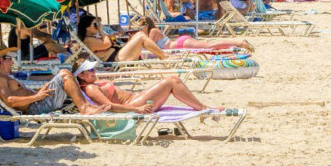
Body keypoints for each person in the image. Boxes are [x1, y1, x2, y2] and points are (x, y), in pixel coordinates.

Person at [71, 56, 223, 114]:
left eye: (94, 68)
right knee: (172, 80)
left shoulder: (94, 82)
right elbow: (110, 106)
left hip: (135, 99)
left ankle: (202, 107)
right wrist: (136, 109)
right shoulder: (90, 88)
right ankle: (203, 108)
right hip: (133, 104)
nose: (94, 71)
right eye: (89, 70)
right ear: (81, 75)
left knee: (172, 80)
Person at [0, 46, 108, 115]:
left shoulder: (6, 78)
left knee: (66, 74)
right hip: (35, 106)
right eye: (10, 58)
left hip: (38, 102)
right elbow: (9, 101)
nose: (12, 61)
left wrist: (39, 93)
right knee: (65, 74)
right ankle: (84, 107)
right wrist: (37, 97)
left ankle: (86, 105)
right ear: (2, 60)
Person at [77, 13, 167, 62]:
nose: (98, 25)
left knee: (138, 36)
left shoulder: (92, 37)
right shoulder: (88, 40)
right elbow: (106, 44)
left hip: (118, 55)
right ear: (88, 28)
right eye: (95, 24)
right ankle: (164, 56)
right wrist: (101, 30)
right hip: (116, 59)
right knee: (141, 36)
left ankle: (163, 55)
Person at [136, 17, 254, 52]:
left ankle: (240, 43)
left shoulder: (153, 31)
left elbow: (148, 46)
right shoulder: (152, 31)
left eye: (140, 27)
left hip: (180, 44)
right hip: (180, 43)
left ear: (146, 25)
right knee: (209, 46)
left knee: (209, 45)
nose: (140, 30)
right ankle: (236, 45)